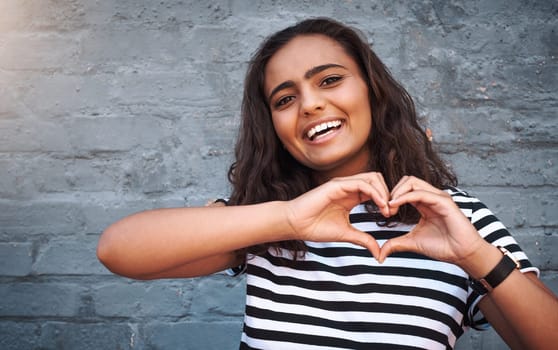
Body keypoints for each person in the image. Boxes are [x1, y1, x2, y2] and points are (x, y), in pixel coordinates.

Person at [97, 18, 558, 349]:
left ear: (373, 93)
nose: (310, 105)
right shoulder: (266, 220)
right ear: (273, 125)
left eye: (330, 80)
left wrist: (476, 256)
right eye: (285, 98)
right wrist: (290, 215)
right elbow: (118, 250)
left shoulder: (458, 219)